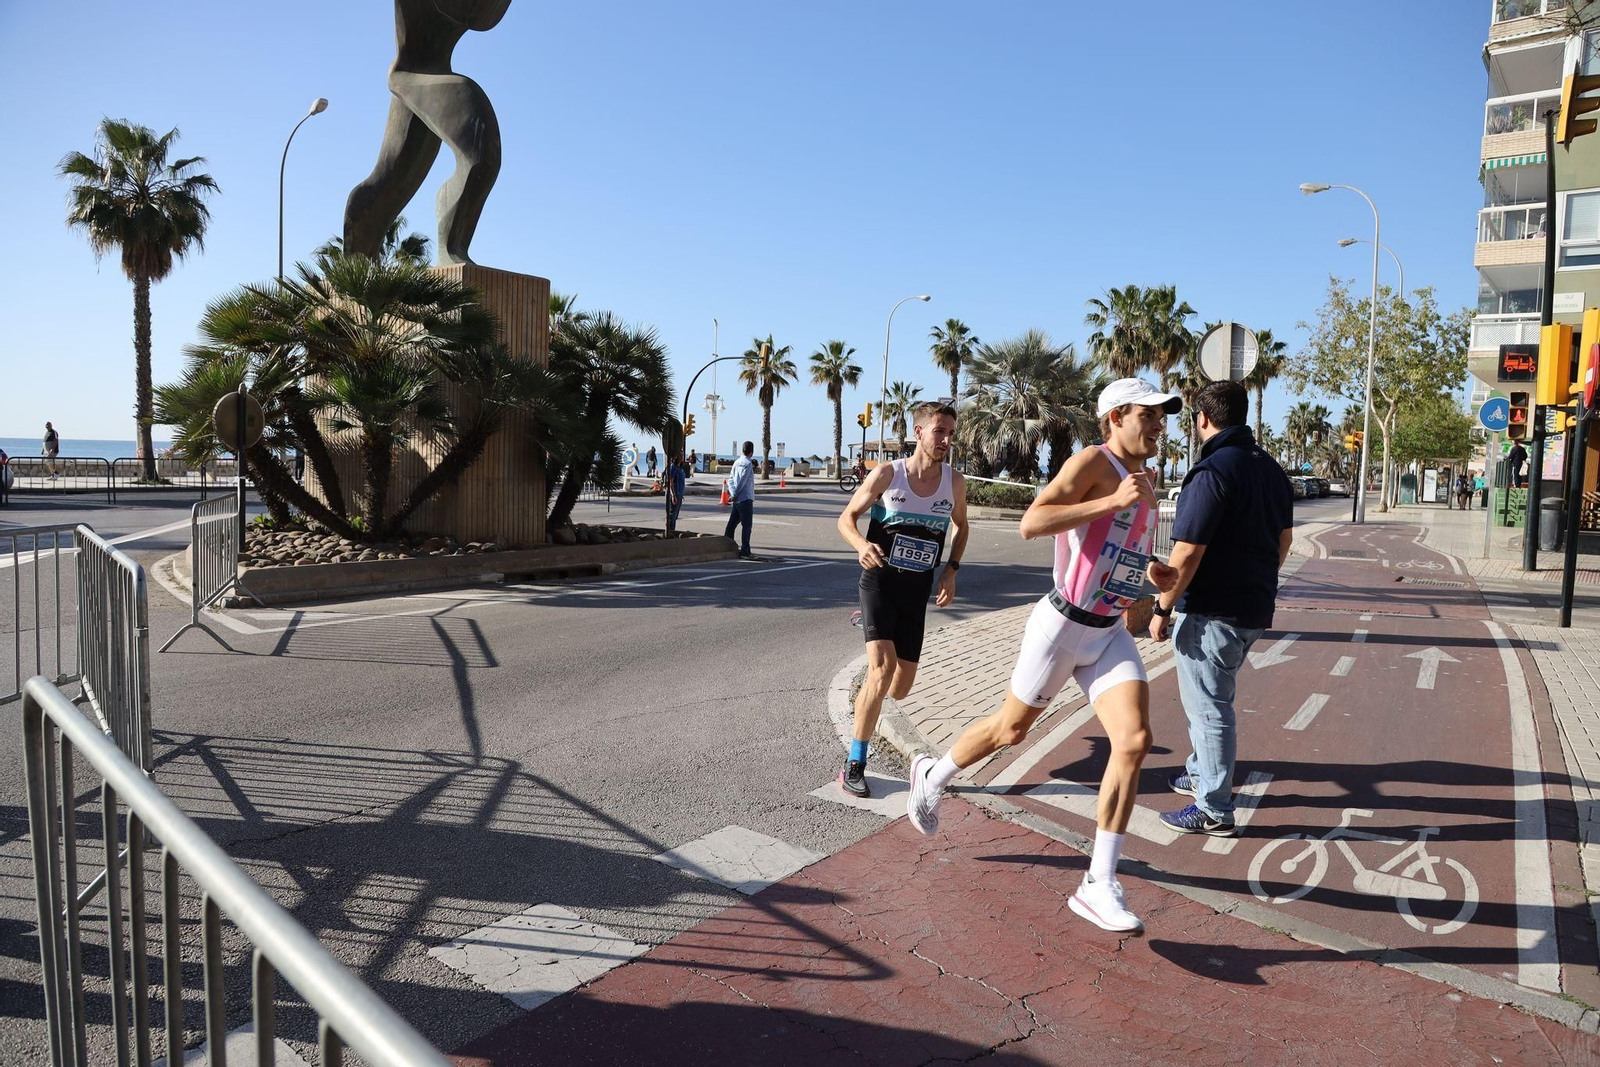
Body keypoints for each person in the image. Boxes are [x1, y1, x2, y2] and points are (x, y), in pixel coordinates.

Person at [905, 378, 1180, 933]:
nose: (1157, 424)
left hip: (1107, 632)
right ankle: (932, 775)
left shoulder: (1148, 482)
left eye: (1162, 415)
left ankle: (1099, 883)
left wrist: (1152, 574)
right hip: (1060, 625)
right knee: (1010, 732)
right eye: (1147, 415)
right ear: (1115, 418)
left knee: (1134, 740)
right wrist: (1111, 499)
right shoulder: (1091, 463)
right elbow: (1034, 522)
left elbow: (1118, 547)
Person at [1148, 381, 1293, 840]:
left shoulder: (1212, 470)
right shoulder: (1270, 469)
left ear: (1203, 420)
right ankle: (1199, 771)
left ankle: (1213, 808)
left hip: (1213, 610)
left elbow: (1187, 552)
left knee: (1209, 707)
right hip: (1253, 605)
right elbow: (1283, 542)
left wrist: (1162, 607)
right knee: (1210, 698)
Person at [836, 402, 967, 798]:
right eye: (939, 431)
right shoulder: (888, 475)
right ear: (919, 432)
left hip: (916, 593)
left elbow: (962, 528)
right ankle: (855, 762)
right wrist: (860, 543)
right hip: (878, 583)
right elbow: (846, 518)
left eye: (950, 432)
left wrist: (951, 569)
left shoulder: (954, 482)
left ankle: (866, 701)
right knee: (881, 669)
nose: (946, 439)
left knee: (900, 687)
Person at [723, 441, 757, 559]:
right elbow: (742, 481)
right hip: (745, 498)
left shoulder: (736, 462)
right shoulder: (748, 464)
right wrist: (735, 494)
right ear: (751, 452)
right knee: (746, 526)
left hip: (737, 500)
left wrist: (732, 493)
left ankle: (726, 545)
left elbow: (731, 479)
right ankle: (745, 551)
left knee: (732, 524)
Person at [667, 453, 687, 527]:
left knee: (675, 515)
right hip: (675, 493)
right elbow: (670, 481)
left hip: (679, 494)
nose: (682, 457)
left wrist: (681, 494)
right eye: (680, 456)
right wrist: (673, 495)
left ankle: (673, 529)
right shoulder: (673, 467)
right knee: (672, 514)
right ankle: (670, 530)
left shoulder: (680, 468)